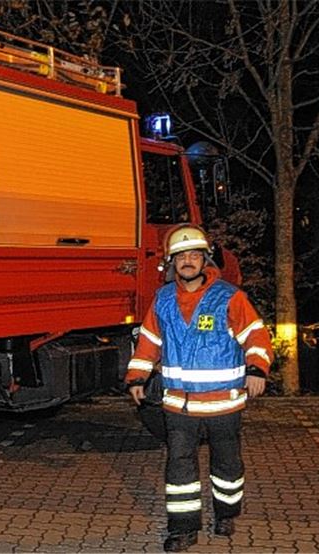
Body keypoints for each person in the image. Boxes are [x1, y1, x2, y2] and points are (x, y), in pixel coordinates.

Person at [126, 223, 273, 552]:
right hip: (179, 405)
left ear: (205, 260)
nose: (188, 262)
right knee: (179, 469)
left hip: (224, 404)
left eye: (194, 256)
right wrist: (137, 377)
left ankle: (226, 514)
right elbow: (148, 342)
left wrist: (257, 369)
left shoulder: (229, 297)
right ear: (172, 263)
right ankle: (183, 530)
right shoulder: (163, 299)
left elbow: (256, 336)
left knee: (227, 466)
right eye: (181, 257)